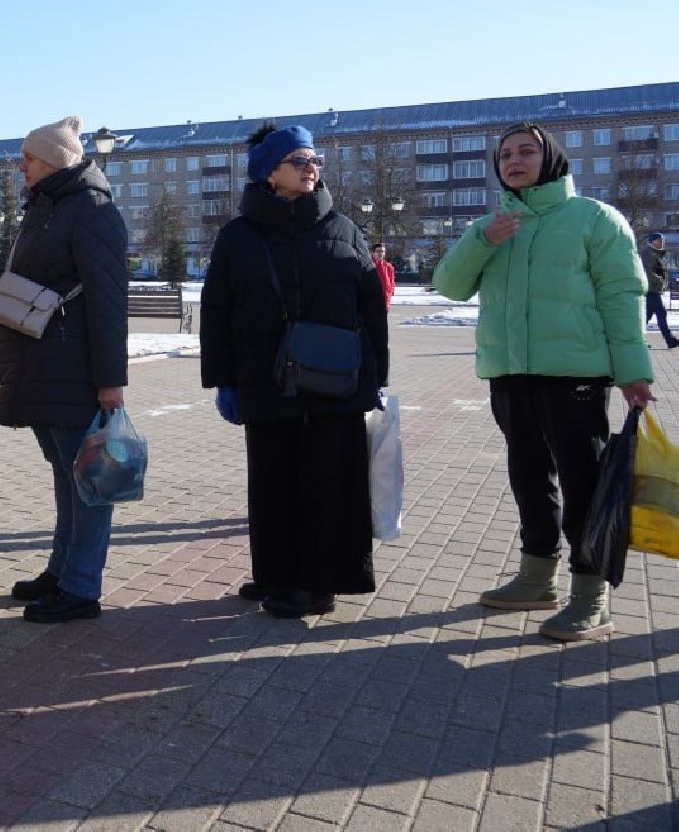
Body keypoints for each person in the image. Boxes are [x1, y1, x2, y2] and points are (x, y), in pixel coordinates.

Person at [434, 122, 653, 642]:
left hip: (574, 374)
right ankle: (536, 578)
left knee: (584, 485)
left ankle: (591, 597)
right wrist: (482, 241)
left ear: (550, 158)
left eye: (526, 151)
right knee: (529, 479)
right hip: (510, 374)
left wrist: (633, 372)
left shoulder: (593, 219)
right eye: (505, 154)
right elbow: (449, 285)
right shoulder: (493, 225)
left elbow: (622, 297)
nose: (514, 160)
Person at [200, 122, 388, 620]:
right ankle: (278, 573)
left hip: (336, 383)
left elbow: (371, 309)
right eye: (298, 161)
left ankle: (318, 584)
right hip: (266, 379)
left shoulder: (343, 228)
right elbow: (217, 310)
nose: (311, 169)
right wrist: (224, 379)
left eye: (314, 161)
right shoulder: (238, 236)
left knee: (330, 482)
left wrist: (377, 379)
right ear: (269, 173)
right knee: (273, 482)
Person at [0, 115, 128, 624]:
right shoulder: (45, 209)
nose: (20, 166)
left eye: (28, 157)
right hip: (43, 363)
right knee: (64, 474)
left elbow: (110, 302)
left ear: (54, 159)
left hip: (76, 369)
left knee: (90, 483)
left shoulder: (92, 210)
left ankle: (81, 587)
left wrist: (111, 380)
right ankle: (61, 570)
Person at [640, 232, 678, 350]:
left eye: (662, 240)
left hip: (653, 290)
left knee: (647, 316)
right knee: (660, 314)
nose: (662, 242)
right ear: (652, 241)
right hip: (651, 290)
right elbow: (647, 272)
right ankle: (669, 340)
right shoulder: (648, 254)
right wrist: (660, 281)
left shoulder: (654, 253)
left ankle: (638, 341)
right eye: (659, 240)